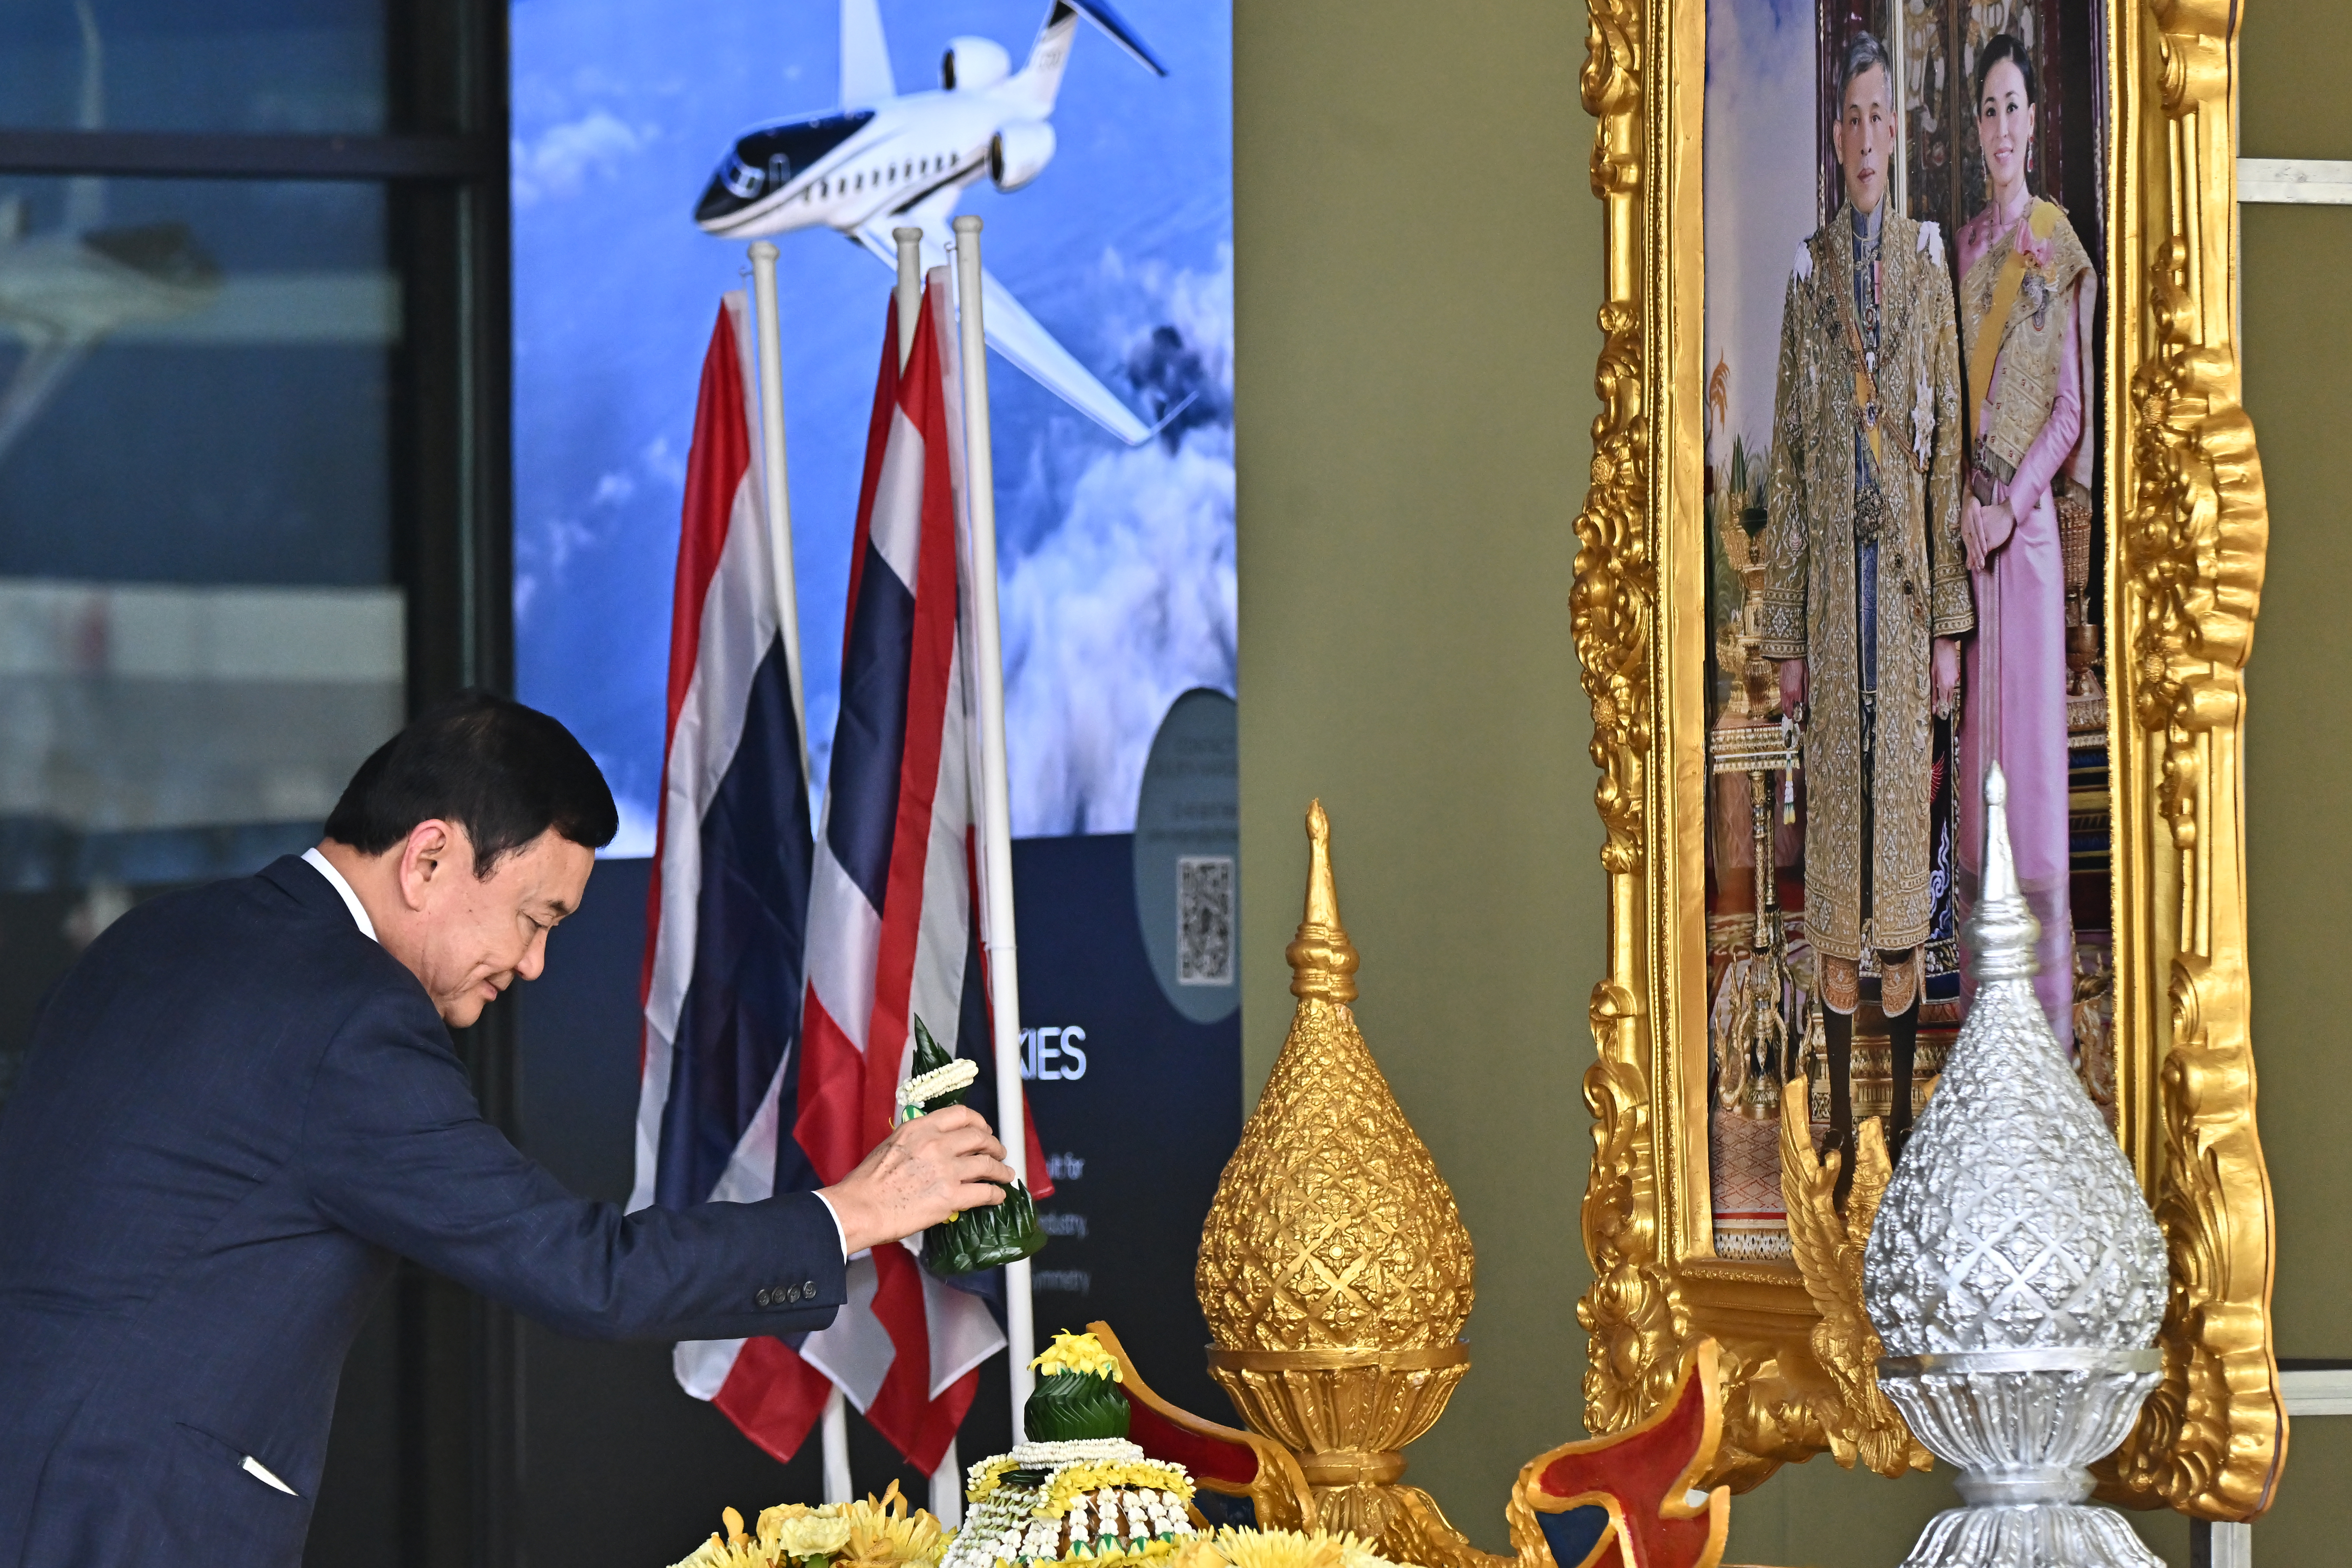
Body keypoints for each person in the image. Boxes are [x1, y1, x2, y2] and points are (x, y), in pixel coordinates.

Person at [0, 693, 1014, 1568]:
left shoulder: (154, 941)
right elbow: (587, 1273)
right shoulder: (351, 1017)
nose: (531, 966)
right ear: (429, 856)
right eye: (536, 918)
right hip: (132, 1527)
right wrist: (855, 1210)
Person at [1761, 31, 1972, 1178]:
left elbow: (1941, 461)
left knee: (1901, 840)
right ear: (1833, 136)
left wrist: (1945, 625)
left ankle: (1891, 1101)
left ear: (1898, 131)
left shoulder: (1928, 266)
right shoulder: (1804, 279)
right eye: (1847, 117)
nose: (1862, 136)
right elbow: (1791, 460)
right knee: (1836, 844)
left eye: (1877, 115)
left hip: (1902, 592)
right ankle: (1840, 1111)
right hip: (1836, 609)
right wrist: (1786, 634)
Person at [1953, 32, 2095, 1047]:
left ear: (2036, 119)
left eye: (2015, 107)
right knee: (1974, 774)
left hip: (2030, 542)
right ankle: (1982, 1019)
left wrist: (2011, 503)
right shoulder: (1959, 251)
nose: (2002, 128)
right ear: (1975, 129)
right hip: (1969, 545)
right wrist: (1964, 505)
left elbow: (2069, 409)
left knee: (2031, 776)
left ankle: (2040, 1026)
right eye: (1987, 112)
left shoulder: (2059, 242)